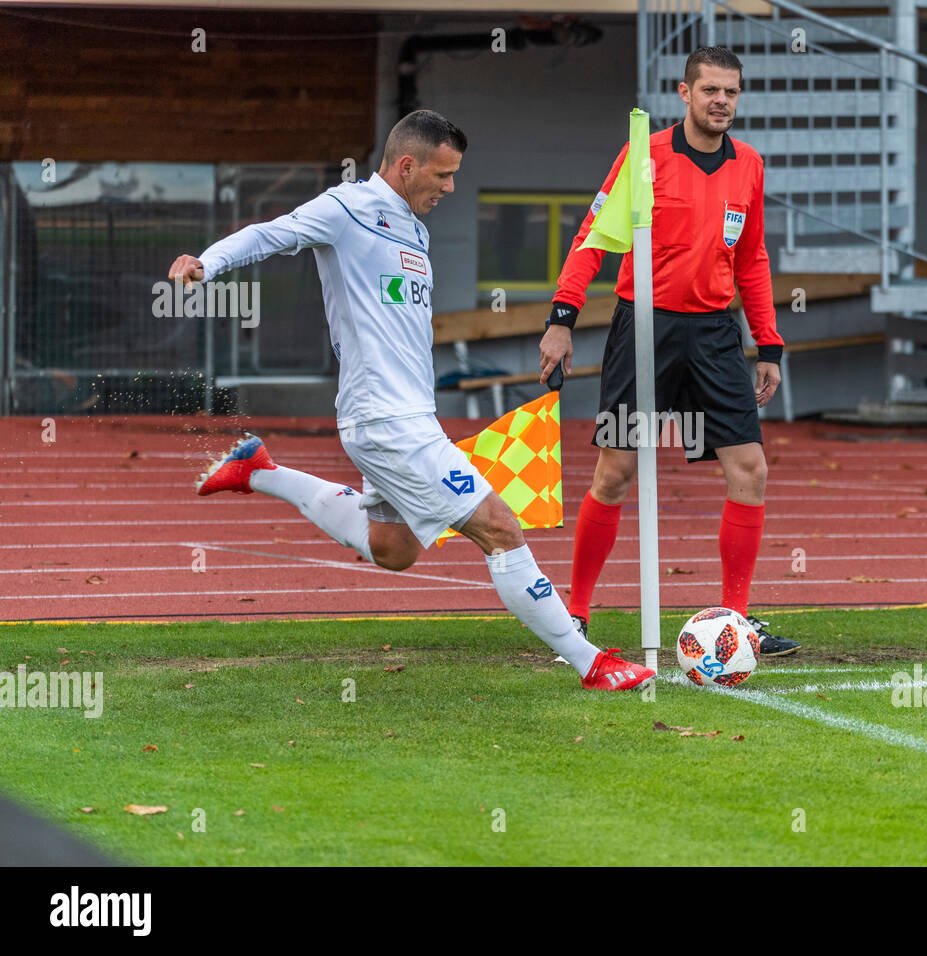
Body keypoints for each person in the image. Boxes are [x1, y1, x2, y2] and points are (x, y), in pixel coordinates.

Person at [169, 110, 652, 691]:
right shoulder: (346, 208)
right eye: (444, 175)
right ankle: (591, 664)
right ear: (406, 165)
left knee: (394, 548)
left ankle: (259, 471)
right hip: (386, 420)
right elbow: (273, 233)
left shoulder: (415, 228)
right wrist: (209, 261)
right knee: (499, 526)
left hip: (401, 418)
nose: (451, 188)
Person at [538, 46, 800, 656]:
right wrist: (562, 318)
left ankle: (734, 618)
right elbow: (592, 235)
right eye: (709, 90)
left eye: (731, 92)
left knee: (751, 471)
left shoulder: (750, 166)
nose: (721, 102)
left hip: (714, 335)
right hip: (643, 328)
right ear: (685, 94)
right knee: (615, 472)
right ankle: (575, 613)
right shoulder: (644, 154)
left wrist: (769, 343)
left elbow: (753, 259)